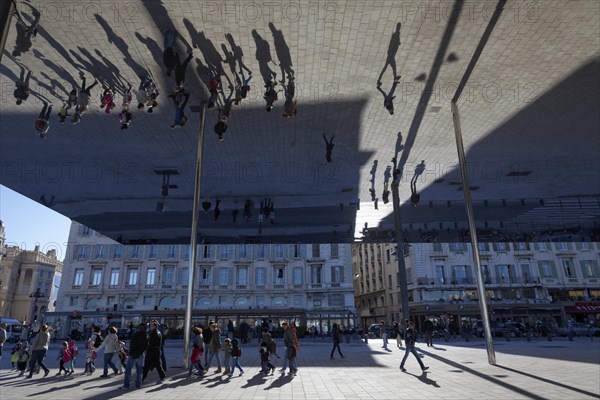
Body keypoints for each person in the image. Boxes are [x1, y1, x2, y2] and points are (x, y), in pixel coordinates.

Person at [121, 323, 148, 390]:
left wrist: (130, 352)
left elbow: (132, 345)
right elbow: (146, 346)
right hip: (141, 354)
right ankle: (138, 385)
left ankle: (126, 386)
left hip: (134, 354)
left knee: (128, 370)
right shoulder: (146, 336)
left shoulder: (135, 335)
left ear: (139, 328)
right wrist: (141, 352)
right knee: (139, 371)